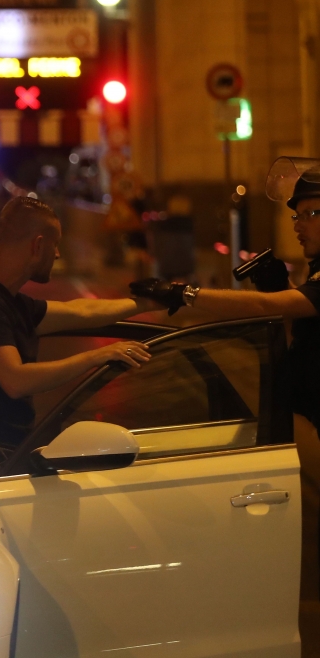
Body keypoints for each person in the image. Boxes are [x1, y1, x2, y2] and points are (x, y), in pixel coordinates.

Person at [129, 157, 320, 622]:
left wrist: (187, 295)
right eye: (296, 215)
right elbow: (299, 330)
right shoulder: (316, 275)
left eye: (310, 214)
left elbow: (262, 304)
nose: (298, 224)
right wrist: (285, 291)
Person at [0, 197, 162, 470]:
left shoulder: (10, 302)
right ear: (38, 245)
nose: (57, 254)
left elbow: (83, 311)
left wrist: (146, 303)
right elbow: (16, 379)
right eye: (55, 244)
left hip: (5, 456)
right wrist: (98, 356)